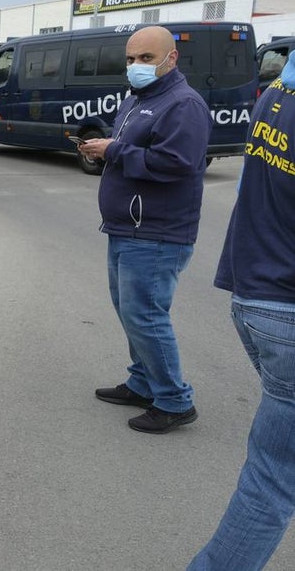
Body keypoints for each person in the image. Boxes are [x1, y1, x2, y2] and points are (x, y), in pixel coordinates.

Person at [187, 61, 295, 570]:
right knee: (274, 481)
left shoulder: (281, 90)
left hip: (257, 294)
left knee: (274, 472)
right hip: (285, 308)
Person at [80, 25, 211, 434]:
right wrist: (107, 148)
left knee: (146, 315)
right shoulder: (139, 98)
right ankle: (143, 382)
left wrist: (113, 150)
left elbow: (177, 163)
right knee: (130, 311)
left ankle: (174, 400)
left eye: (146, 59)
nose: (135, 66)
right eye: (131, 59)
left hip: (155, 232)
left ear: (171, 59)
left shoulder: (183, 104)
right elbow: (134, 150)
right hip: (127, 227)